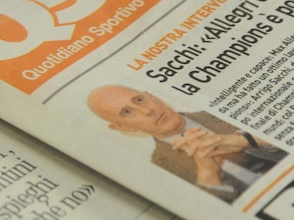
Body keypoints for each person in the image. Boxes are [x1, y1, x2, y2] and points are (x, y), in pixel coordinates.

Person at [86, 85, 286, 203]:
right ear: (123, 127)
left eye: (139, 100)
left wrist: (246, 140)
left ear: (153, 97)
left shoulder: (221, 108)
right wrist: (209, 175)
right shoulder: (162, 169)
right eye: (127, 112)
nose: (147, 111)